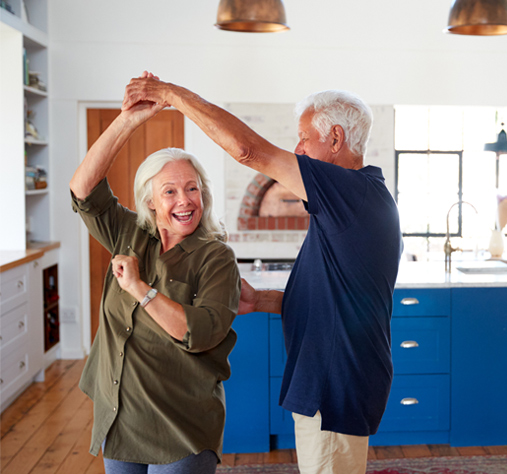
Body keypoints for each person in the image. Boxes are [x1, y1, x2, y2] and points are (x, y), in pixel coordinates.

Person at [123, 75, 403, 474]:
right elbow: (342, 296)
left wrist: (171, 95)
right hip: (336, 379)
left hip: (335, 385)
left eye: (305, 137)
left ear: (336, 139)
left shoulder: (349, 191)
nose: (298, 148)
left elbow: (247, 150)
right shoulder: (359, 198)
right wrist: (265, 301)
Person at [70, 76, 240, 474]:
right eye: (170, 191)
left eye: (193, 189)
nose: (185, 200)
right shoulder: (129, 233)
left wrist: (140, 289)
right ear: (150, 199)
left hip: (180, 423)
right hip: (120, 413)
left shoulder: (216, 258)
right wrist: (128, 120)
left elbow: (199, 333)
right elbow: (83, 190)